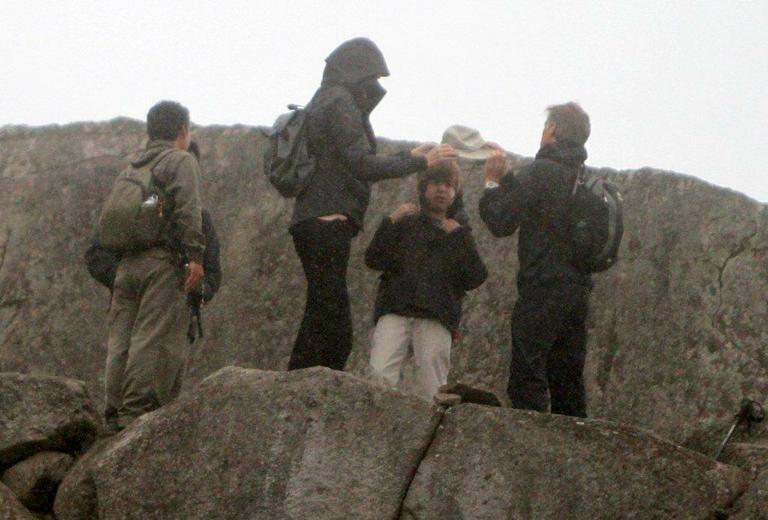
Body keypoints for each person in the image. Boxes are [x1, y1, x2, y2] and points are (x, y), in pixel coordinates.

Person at [288, 37, 457, 371]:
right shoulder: (339, 101)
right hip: (326, 221)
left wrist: (411, 157)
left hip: (316, 220)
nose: (375, 87)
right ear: (358, 73)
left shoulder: (328, 99)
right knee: (333, 323)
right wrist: (417, 162)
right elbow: (361, 163)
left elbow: (354, 158)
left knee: (321, 308)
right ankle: (308, 380)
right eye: (372, 79)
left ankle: (301, 376)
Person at [479, 102, 593, 418]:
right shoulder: (582, 178)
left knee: (527, 371)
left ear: (552, 131)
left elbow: (500, 220)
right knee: (567, 378)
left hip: (542, 285)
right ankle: (575, 447)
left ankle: (529, 443)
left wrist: (491, 183)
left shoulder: (542, 171)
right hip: (578, 291)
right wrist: (510, 178)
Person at [103, 100, 204, 431]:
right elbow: (189, 211)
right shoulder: (180, 160)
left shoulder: (131, 168)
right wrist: (195, 257)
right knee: (149, 337)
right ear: (182, 131)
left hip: (125, 264)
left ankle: (112, 411)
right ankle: (133, 413)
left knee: (120, 340)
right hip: (161, 262)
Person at [366, 161, 487, 401]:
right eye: (436, 183)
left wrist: (459, 236)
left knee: (432, 388)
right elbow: (374, 258)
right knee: (378, 379)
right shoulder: (404, 223)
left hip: (436, 315)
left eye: (448, 185)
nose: (442, 189)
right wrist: (390, 221)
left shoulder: (459, 232)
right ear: (424, 187)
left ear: (456, 192)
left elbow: (476, 275)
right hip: (396, 309)